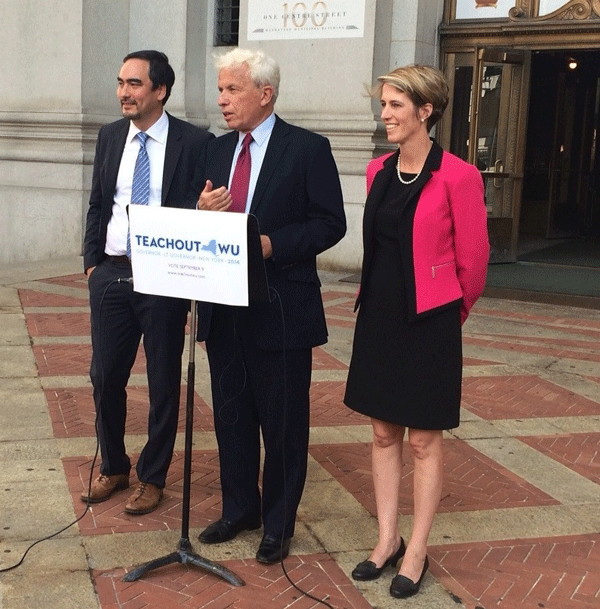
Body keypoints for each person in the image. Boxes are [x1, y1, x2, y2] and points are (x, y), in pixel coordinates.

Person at [192, 48, 346, 564]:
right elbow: (196, 225)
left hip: (281, 308)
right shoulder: (215, 151)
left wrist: (271, 244)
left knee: (282, 424)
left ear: (265, 93)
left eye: (232, 90)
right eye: (220, 90)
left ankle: (278, 524)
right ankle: (240, 509)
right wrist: (201, 213)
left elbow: (331, 224)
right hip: (224, 306)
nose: (222, 100)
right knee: (231, 416)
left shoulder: (306, 149)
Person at [344, 65, 489, 598]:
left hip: (430, 322)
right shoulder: (376, 171)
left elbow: (474, 261)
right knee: (383, 434)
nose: (385, 115)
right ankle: (386, 539)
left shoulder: (459, 175)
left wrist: (450, 316)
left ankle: (417, 549)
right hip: (380, 318)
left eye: (395, 106)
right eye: (383, 105)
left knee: (424, 441)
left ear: (426, 111)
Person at [82, 50, 213, 515]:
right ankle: (114, 467)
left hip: (164, 274)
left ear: (160, 90)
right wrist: (92, 263)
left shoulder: (195, 142)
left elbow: (204, 211)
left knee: (162, 381)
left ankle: (152, 476)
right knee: (104, 376)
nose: (123, 92)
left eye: (134, 84)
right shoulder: (110, 136)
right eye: (120, 82)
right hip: (113, 272)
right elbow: (99, 202)